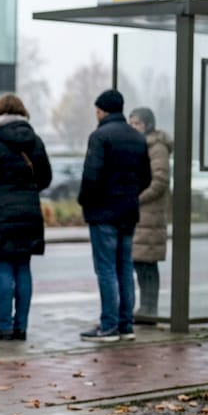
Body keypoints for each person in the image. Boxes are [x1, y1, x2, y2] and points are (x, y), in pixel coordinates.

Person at [0, 93, 52, 342]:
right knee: (23, 268)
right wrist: (28, 192)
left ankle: (5, 327)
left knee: (4, 268)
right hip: (28, 213)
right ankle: (21, 328)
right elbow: (46, 177)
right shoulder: (34, 140)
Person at [78, 89, 151, 342]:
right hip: (128, 212)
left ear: (103, 110)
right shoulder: (138, 138)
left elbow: (91, 177)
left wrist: (85, 203)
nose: (96, 115)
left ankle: (108, 326)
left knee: (106, 269)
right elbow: (146, 178)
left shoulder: (99, 136)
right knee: (124, 268)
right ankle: (125, 325)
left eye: (97, 110)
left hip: (103, 213)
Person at [128, 107, 173, 322]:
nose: (133, 127)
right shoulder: (140, 145)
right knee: (140, 261)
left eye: (137, 123)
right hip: (141, 213)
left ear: (147, 125)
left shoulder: (156, 148)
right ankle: (145, 307)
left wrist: (138, 198)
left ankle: (149, 308)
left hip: (150, 213)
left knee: (147, 263)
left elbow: (160, 181)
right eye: (131, 123)